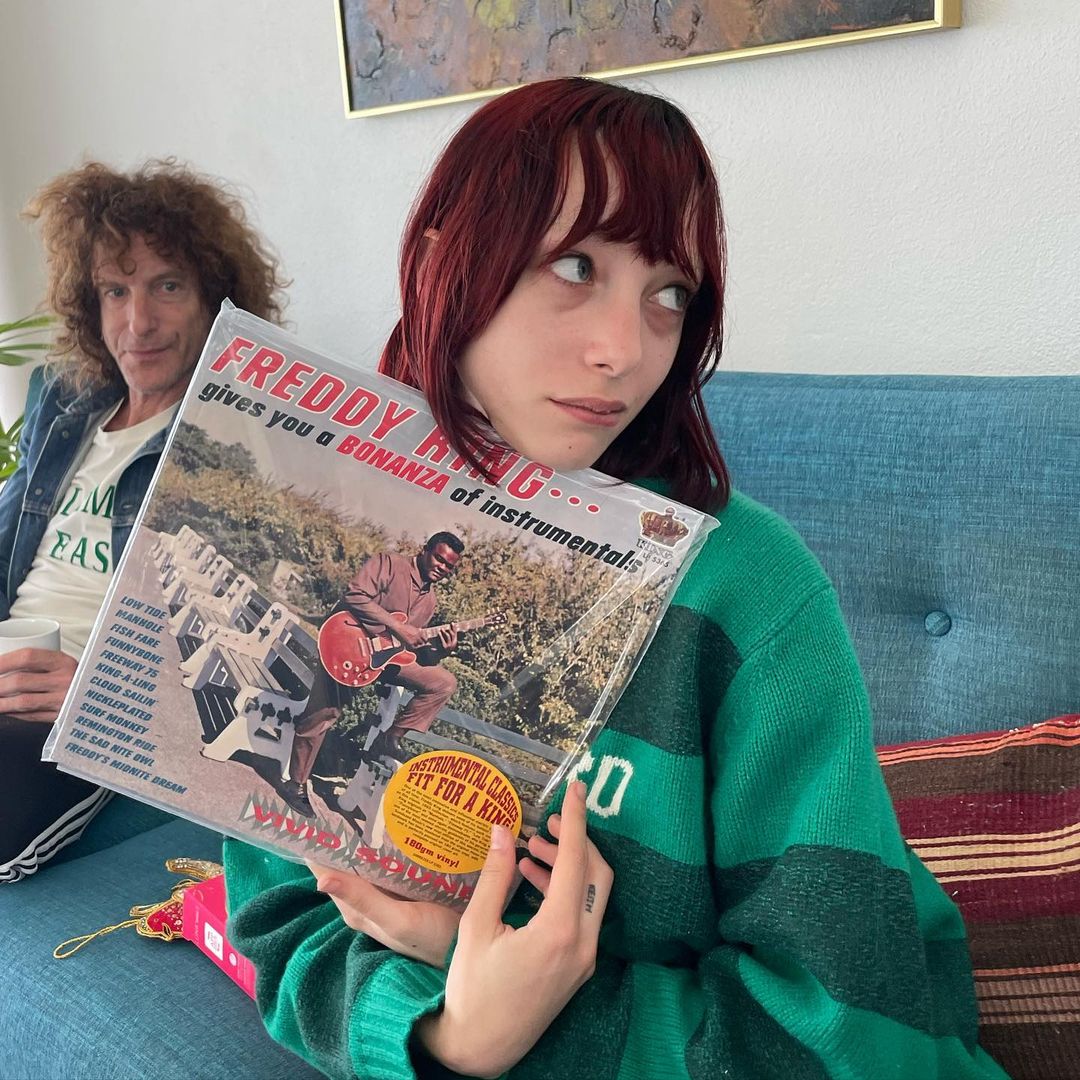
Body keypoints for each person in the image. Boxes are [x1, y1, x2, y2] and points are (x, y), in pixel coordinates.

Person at [223, 79, 1008, 1079]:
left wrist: (521, 1023)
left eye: (670, 294)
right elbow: (284, 922)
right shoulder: (348, 519)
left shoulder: (749, 589)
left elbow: (848, 1034)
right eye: (575, 266)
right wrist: (449, 1034)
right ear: (438, 265)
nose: (623, 352)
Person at [0, 160, 286, 883]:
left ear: (214, 302)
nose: (138, 323)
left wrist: (100, 692)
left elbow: (238, 647)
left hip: (71, 704)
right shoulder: (68, 405)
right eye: (116, 291)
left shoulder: (229, 441)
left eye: (167, 286)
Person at [280, 531, 465, 818]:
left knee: (444, 682)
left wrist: (443, 651)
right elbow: (354, 594)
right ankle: (295, 783)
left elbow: (410, 650)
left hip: (384, 660)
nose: (442, 567)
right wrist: (398, 626)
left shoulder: (430, 601)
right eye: (439, 559)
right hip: (346, 646)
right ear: (425, 550)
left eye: (449, 566)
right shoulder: (389, 564)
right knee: (326, 712)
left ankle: (389, 738)